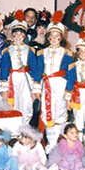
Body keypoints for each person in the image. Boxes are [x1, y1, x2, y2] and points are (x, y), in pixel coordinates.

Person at [32, 18, 75, 154]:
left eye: (57, 36)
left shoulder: (68, 53)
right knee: (47, 110)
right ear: (48, 37)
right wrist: (37, 88)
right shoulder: (41, 52)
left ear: (61, 37)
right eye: (51, 36)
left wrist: (68, 94)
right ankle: (50, 141)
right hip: (47, 85)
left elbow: (70, 74)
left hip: (60, 85)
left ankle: (58, 140)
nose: (54, 38)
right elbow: (38, 71)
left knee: (60, 111)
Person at [0, 20, 37, 125]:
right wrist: (4, 91)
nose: (18, 37)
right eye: (16, 34)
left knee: (26, 104)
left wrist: (35, 89)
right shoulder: (7, 51)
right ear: (12, 35)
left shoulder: (30, 50)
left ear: (24, 36)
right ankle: (14, 130)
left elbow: (34, 70)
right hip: (12, 80)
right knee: (13, 104)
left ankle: (25, 127)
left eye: (21, 34)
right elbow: (3, 71)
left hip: (26, 81)